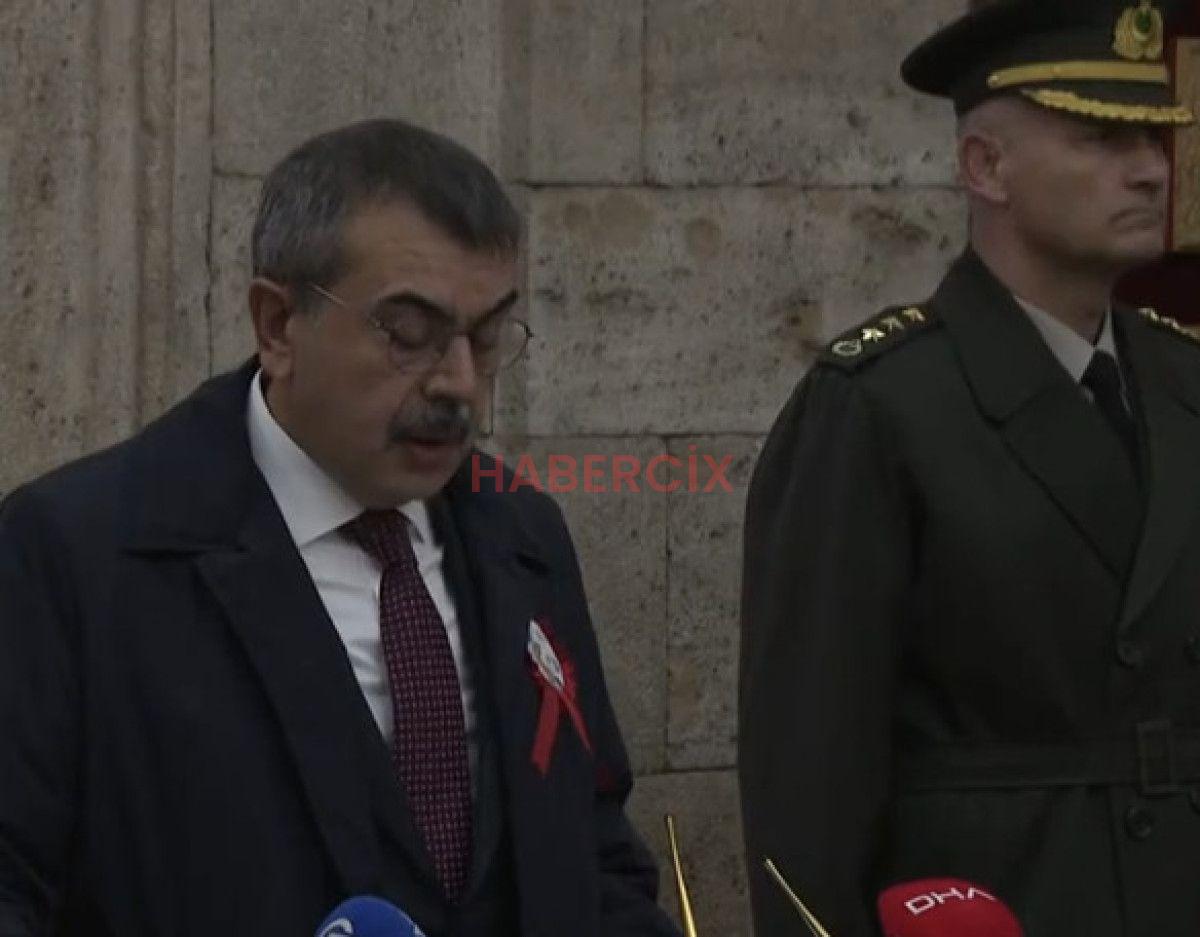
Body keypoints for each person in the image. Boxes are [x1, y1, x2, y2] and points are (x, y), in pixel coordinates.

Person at [0, 119, 679, 937]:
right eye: (409, 334)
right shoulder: (76, 556)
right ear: (278, 324)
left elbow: (596, 854)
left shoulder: (524, 537)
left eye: (487, 335)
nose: (460, 383)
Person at [738, 2, 1200, 935]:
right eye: (1101, 138)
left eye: (1153, 137)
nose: (1152, 169)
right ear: (986, 167)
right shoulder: (879, 406)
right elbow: (808, 782)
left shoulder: (1184, 380)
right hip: (998, 899)